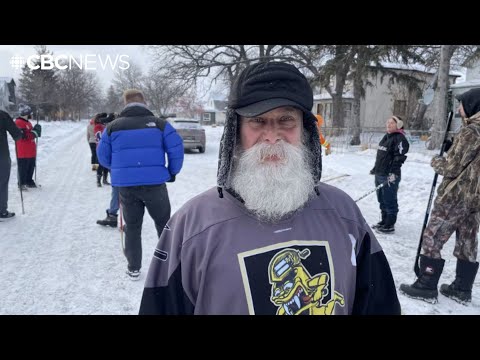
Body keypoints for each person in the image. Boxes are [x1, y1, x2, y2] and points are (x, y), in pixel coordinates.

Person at [138, 62, 401, 315]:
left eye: (286, 120)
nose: (272, 136)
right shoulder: (192, 226)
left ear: (305, 131)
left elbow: (380, 304)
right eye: (258, 121)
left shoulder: (345, 214)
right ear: (236, 131)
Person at [400, 88, 480, 304]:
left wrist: (437, 161)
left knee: (433, 236)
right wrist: (453, 147)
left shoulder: (471, 132)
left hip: (455, 196)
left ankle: (426, 285)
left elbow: (452, 168)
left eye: (462, 104)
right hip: (475, 199)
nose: (459, 108)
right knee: (467, 241)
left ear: (473, 106)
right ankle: (462, 289)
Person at [97, 89, 184, 280]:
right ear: (144, 102)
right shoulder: (160, 125)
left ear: (125, 103)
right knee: (163, 224)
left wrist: (121, 170)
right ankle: (170, 265)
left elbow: (102, 156)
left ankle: (134, 267)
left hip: (127, 188)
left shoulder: (112, 127)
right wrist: (172, 172)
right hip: (155, 184)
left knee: (132, 227)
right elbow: (176, 149)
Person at [369, 115, 409, 234]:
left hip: (389, 175)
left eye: (392, 123)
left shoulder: (400, 138)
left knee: (389, 199)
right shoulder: (386, 137)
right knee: (381, 199)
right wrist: (375, 168)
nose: (388, 124)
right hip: (380, 173)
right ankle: (384, 220)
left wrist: (393, 173)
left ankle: (390, 224)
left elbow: (399, 157)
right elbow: (382, 155)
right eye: (388, 122)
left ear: (399, 125)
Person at [0, 109, 23, 219]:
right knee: (2, 183)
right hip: (1, 155)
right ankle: (1, 211)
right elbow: (17, 134)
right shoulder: (2, 114)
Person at [14, 104, 41, 190]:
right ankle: (21, 183)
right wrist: (34, 133)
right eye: (30, 113)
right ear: (26, 113)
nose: (31, 115)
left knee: (31, 166)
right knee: (23, 168)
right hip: (23, 151)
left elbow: (32, 133)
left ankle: (29, 181)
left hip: (31, 151)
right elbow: (23, 136)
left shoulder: (28, 123)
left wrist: (36, 131)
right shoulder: (18, 122)